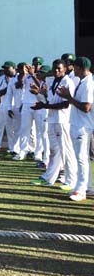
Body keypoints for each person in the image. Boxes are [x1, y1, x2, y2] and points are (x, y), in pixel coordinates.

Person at [31, 59, 77, 189]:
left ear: (65, 69)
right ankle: (49, 177)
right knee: (54, 151)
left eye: (59, 68)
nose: (57, 71)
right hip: (52, 119)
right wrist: (41, 95)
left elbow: (66, 103)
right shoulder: (53, 81)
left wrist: (44, 105)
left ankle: (70, 181)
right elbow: (51, 99)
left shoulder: (68, 82)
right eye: (55, 68)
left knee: (66, 152)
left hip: (62, 120)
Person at [58, 57, 93, 201]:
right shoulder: (83, 81)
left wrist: (69, 98)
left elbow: (86, 107)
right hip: (79, 124)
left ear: (79, 67)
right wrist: (68, 96)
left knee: (81, 158)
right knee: (82, 158)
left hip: (82, 126)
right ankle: (88, 187)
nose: (72, 69)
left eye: (73, 67)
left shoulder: (88, 84)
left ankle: (81, 190)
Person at [14, 63, 46, 166]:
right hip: (27, 104)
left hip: (39, 104)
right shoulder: (26, 75)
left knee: (39, 131)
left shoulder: (42, 75)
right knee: (25, 129)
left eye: (39, 64)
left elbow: (41, 86)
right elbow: (19, 85)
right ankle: (23, 151)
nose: (36, 66)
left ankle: (38, 153)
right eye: (34, 64)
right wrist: (24, 73)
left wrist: (33, 75)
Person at [0, 61, 16, 153]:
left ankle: (12, 148)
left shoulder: (17, 78)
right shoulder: (2, 78)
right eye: (4, 68)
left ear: (13, 68)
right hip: (2, 105)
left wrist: (8, 86)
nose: (5, 70)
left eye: (7, 68)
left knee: (11, 128)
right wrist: (7, 86)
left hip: (12, 105)